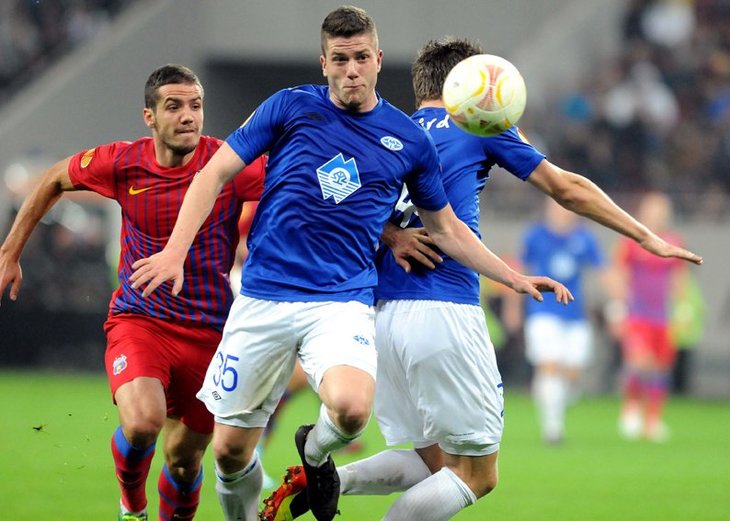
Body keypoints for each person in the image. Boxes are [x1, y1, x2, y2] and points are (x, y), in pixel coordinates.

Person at [128, 8, 572, 521]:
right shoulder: (289, 107)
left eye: (362, 57)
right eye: (340, 59)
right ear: (324, 63)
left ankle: (315, 456)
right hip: (264, 296)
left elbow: (447, 228)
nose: (352, 70)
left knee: (352, 410)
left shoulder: (408, 139)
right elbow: (214, 174)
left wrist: (511, 277)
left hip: (343, 300)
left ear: (378, 60)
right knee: (228, 452)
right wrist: (174, 250)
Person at [259, 36, 703, 521]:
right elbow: (566, 187)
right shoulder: (477, 121)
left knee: (435, 465)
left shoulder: (389, 130)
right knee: (478, 475)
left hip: (378, 321)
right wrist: (645, 236)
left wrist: (390, 235)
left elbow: (332, 204)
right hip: (444, 308)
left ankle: (321, 482)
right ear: (468, 83)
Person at [0, 64, 266, 521]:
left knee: (185, 464)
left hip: (211, 334)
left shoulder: (229, 164)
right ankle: (132, 505)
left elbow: (305, 191)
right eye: (174, 106)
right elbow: (53, 180)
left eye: (196, 105)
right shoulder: (123, 161)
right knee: (143, 423)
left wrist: (385, 230)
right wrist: (10, 253)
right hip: (140, 320)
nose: (188, 116)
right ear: (149, 116)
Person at [520, 197, 612, 445]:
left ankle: (555, 399)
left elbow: (603, 270)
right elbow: (519, 273)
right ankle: (553, 429)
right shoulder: (535, 236)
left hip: (575, 314)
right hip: (542, 311)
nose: (563, 214)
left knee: (572, 372)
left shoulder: (585, 238)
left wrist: (619, 304)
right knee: (549, 365)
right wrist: (512, 308)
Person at [610, 191, 690, 442]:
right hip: (637, 315)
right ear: (643, 212)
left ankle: (653, 420)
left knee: (660, 369)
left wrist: (683, 308)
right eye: (653, 209)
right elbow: (619, 275)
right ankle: (631, 407)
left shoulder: (674, 241)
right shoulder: (631, 242)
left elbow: (679, 278)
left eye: (662, 210)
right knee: (640, 362)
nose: (658, 214)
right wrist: (617, 307)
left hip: (662, 317)